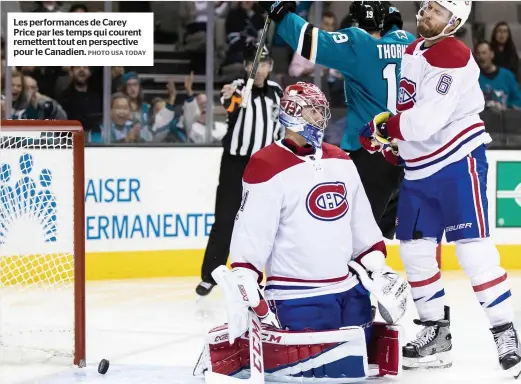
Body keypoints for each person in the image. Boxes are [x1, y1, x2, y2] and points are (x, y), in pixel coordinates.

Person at [194, 82, 408, 381]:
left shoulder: (341, 160)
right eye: (313, 111)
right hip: (297, 297)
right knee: (319, 373)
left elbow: (361, 223)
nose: (320, 118)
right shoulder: (266, 165)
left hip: (349, 293)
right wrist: (245, 275)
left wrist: (377, 267)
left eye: (322, 111)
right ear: (292, 112)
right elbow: (252, 233)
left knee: (359, 369)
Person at [359, 0, 521, 374]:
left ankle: (505, 332)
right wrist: (394, 148)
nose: (426, 13)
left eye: (437, 11)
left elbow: (424, 121)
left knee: (473, 253)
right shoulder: (415, 50)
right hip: (419, 170)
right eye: (427, 6)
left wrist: (387, 129)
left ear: (455, 22)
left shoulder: (452, 54)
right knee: (415, 252)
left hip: (457, 163)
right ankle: (436, 335)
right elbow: (412, 114)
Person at [260, 1, 415, 241]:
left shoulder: (358, 44)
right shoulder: (409, 43)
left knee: (356, 236)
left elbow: (310, 41)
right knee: (395, 235)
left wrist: (281, 11)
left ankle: (354, 276)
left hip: (370, 150)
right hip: (409, 153)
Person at [196, 43, 283, 296]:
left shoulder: (278, 93)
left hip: (264, 165)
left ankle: (266, 275)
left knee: (264, 223)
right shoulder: (238, 88)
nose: (258, 69)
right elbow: (230, 105)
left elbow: (280, 126)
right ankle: (211, 274)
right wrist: (232, 95)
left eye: (263, 64)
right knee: (224, 219)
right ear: (246, 66)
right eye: (253, 64)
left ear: (270, 66)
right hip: (235, 163)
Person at [475, 41, 521, 112]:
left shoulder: (507, 75)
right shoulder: (474, 78)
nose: (481, 57)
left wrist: (507, 109)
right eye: (478, 54)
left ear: (492, 54)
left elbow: (518, 101)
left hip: (504, 120)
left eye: (484, 53)